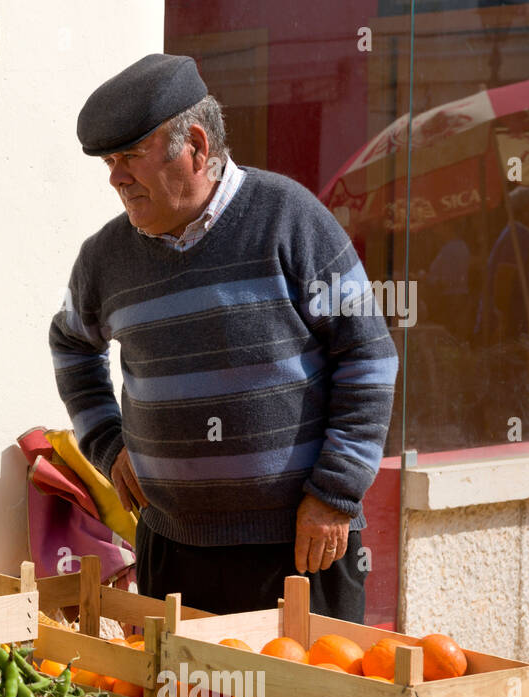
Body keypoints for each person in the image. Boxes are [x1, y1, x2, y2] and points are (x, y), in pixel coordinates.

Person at [49, 55, 398, 621]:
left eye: (130, 156)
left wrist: (335, 494)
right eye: (109, 162)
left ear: (195, 144)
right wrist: (108, 445)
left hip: (300, 546)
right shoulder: (105, 257)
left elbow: (369, 357)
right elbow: (71, 344)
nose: (116, 177)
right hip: (172, 552)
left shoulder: (289, 218)